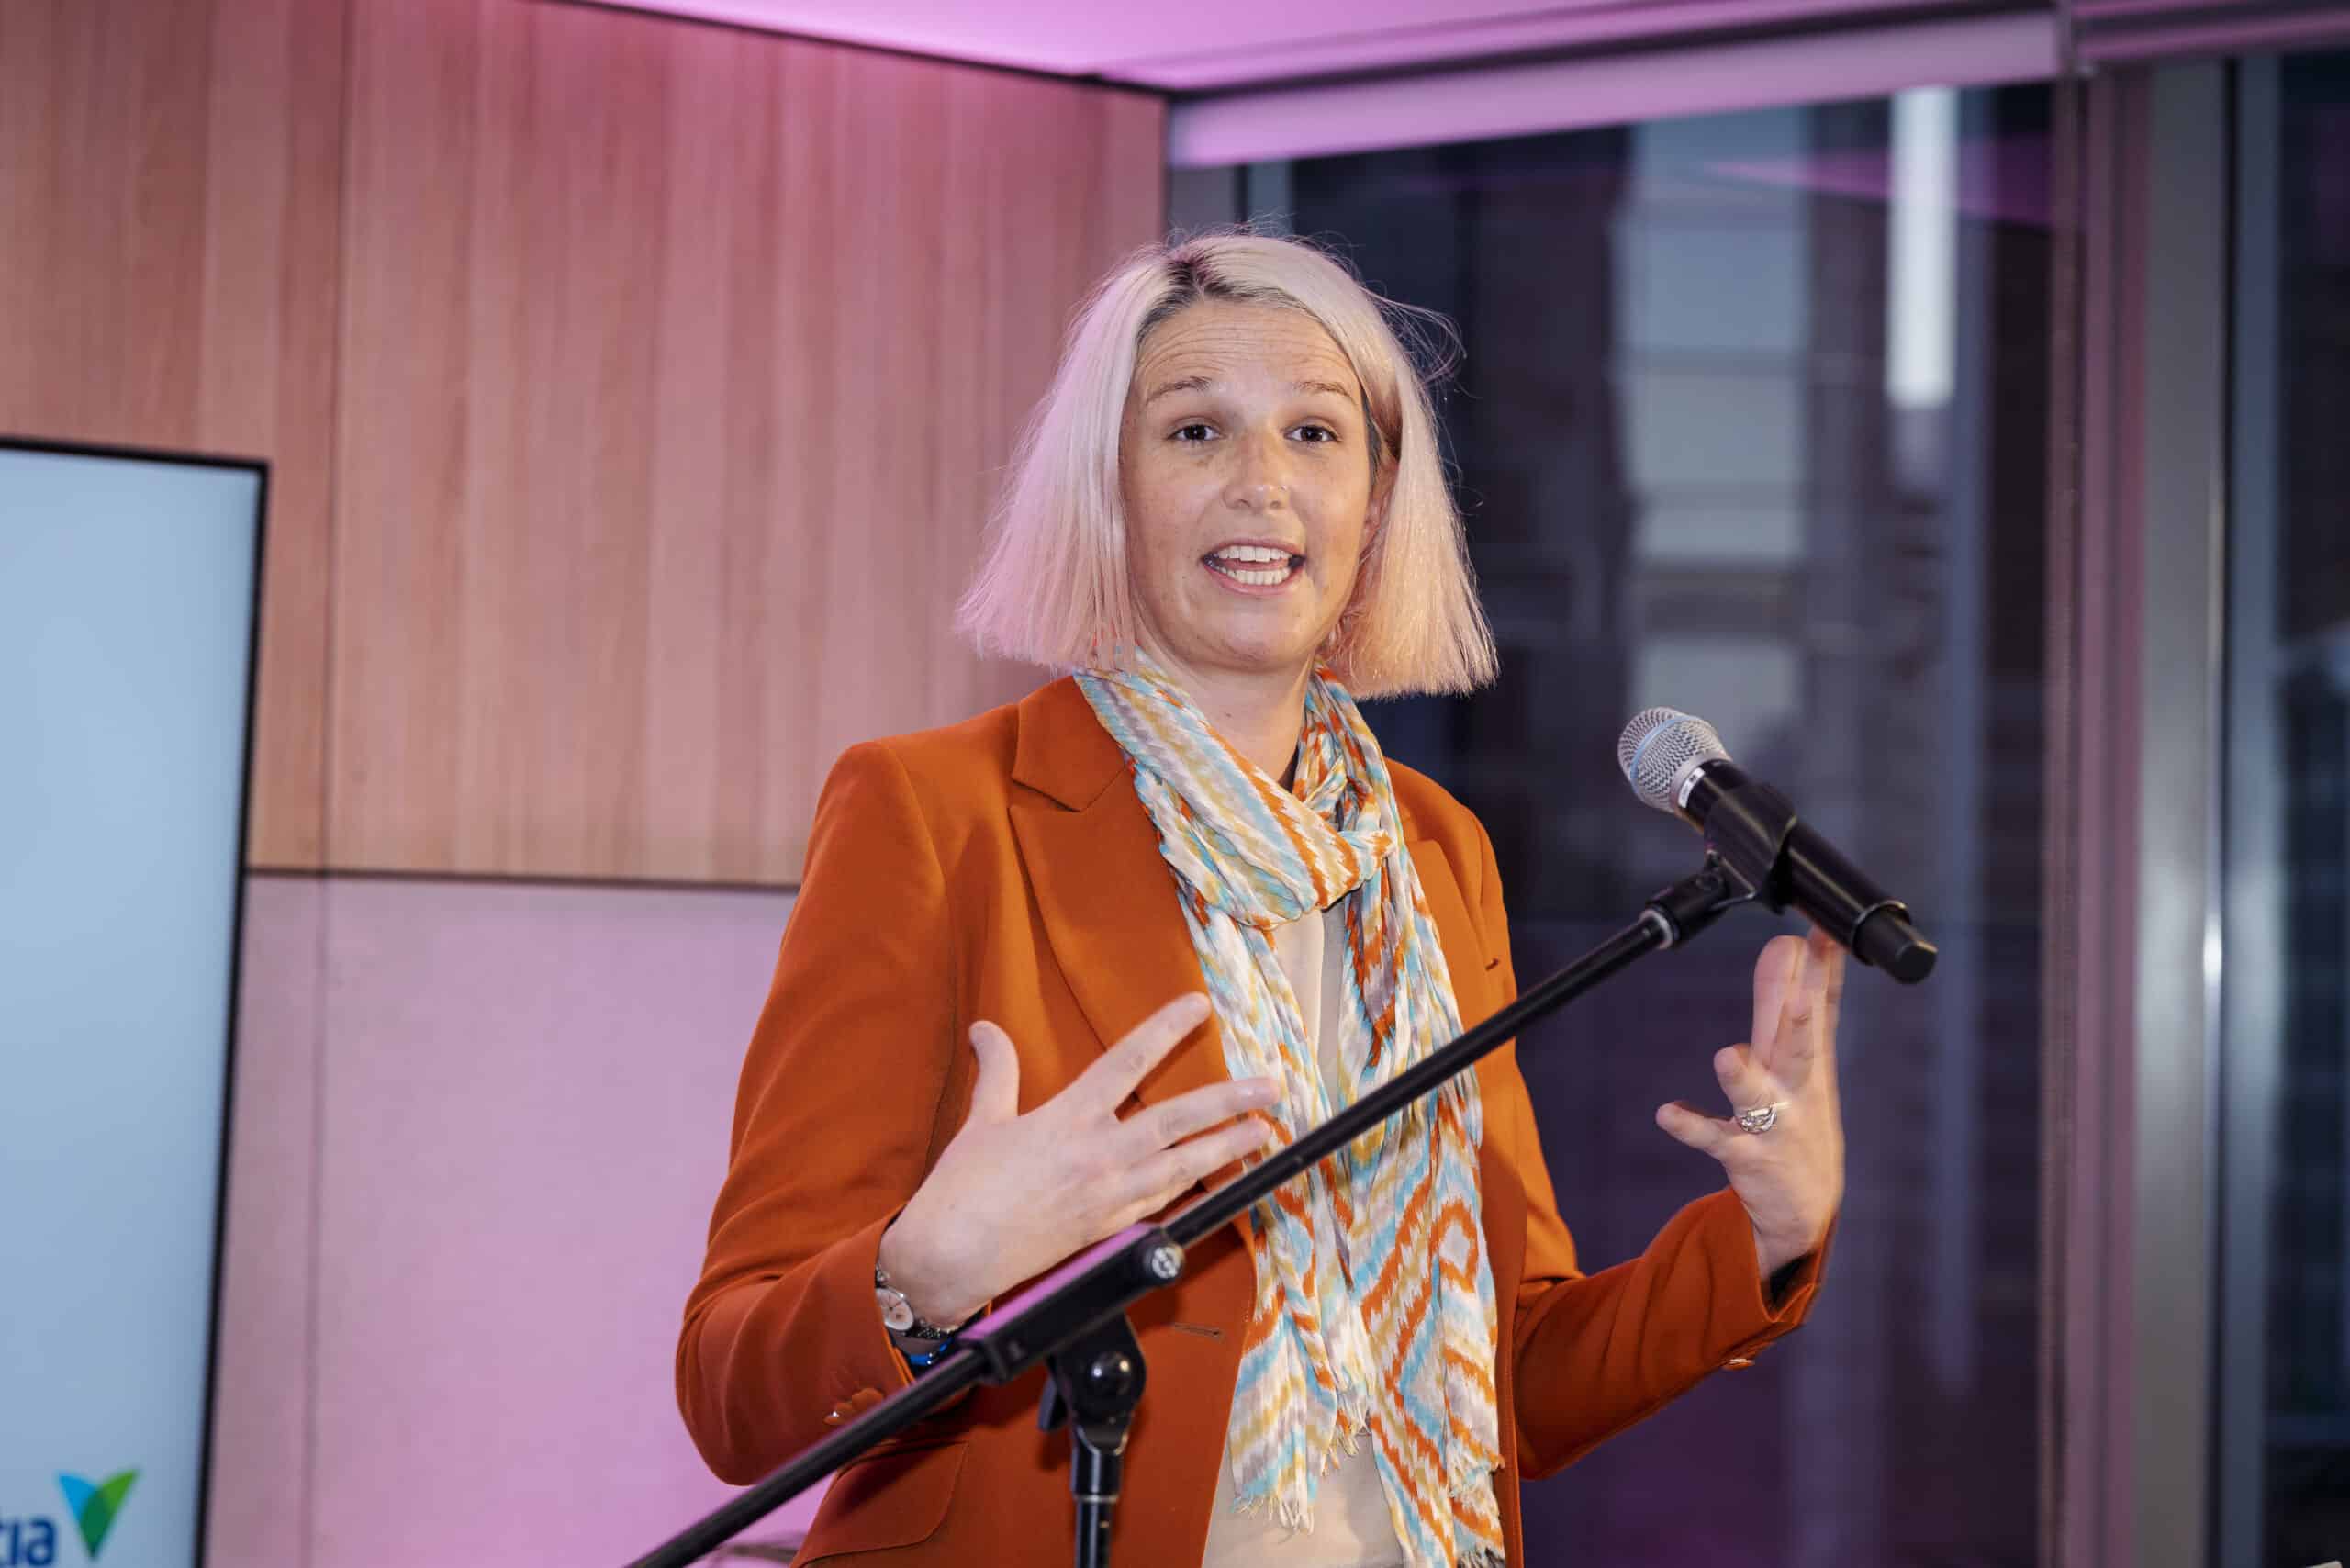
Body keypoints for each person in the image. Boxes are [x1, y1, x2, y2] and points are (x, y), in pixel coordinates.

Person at [677, 230, 1845, 1568]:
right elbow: (731, 1390)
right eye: (1194, 432)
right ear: (1108, 489)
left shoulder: (1433, 850)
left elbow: (1509, 1372)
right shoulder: (935, 815)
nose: (1261, 484)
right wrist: (921, 1278)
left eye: (1314, 433)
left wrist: (1763, 1239)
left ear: (1377, 499)